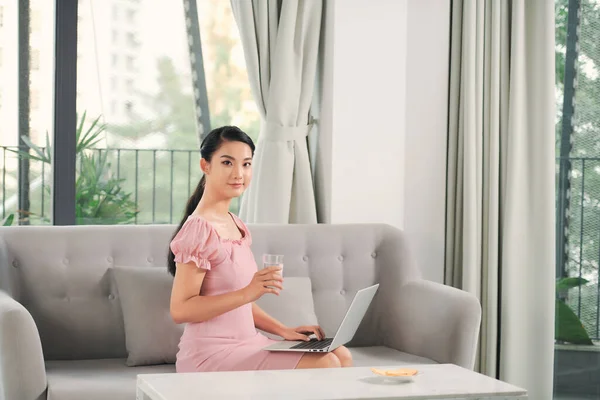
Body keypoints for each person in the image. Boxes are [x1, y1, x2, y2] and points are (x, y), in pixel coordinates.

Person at [167, 125, 352, 372]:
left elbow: (238, 302)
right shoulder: (198, 229)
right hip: (211, 354)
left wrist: (283, 330)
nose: (238, 173)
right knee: (326, 362)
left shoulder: (237, 225)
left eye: (246, 164)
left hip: (249, 342)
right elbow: (181, 310)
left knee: (340, 353)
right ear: (205, 166)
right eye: (227, 163)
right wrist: (249, 292)